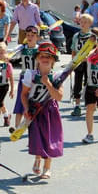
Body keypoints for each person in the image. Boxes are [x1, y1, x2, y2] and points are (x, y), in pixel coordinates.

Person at [21, 41, 63, 179]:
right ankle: (37, 158)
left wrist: (48, 84)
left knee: (49, 138)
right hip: (34, 109)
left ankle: (47, 167)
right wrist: (26, 108)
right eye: (42, 56)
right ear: (37, 58)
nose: (45, 59)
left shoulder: (57, 76)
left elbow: (59, 96)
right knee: (36, 138)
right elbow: (24, 94)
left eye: (49, 57)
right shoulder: (31, 74)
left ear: (53, 60)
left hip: (50, 110)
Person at [9, 25, 40, 132]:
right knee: (20, 101)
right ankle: (17, 127)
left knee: (33, 102)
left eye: (32, 35)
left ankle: (32, 125)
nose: (30, 37)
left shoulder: (39, 49)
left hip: (35, 78)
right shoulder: (22, 48)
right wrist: (6, 54)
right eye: (28, 35)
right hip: (24, 76)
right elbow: (12, 52)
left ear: (37, 37)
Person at [70, 14, 93, 116]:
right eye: (81, 22)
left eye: (85, 22)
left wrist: (89, 58)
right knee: (78, 83)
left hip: (89, 63)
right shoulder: (76, 36)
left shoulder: (93, 37)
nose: (83, 24)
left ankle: (90, 103)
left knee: (89, 82)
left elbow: (96, 50)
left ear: (90, 24)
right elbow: (74, 50)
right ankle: (77, 105)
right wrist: (73, 62)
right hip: (79, 63)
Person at [0, 42, 14, 132]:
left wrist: (12, 90)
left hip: (4, 86)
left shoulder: (7, 65)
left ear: (5, 53)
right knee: (0, 103)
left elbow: (11, 78)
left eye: (2, 52)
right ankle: (6, 116)